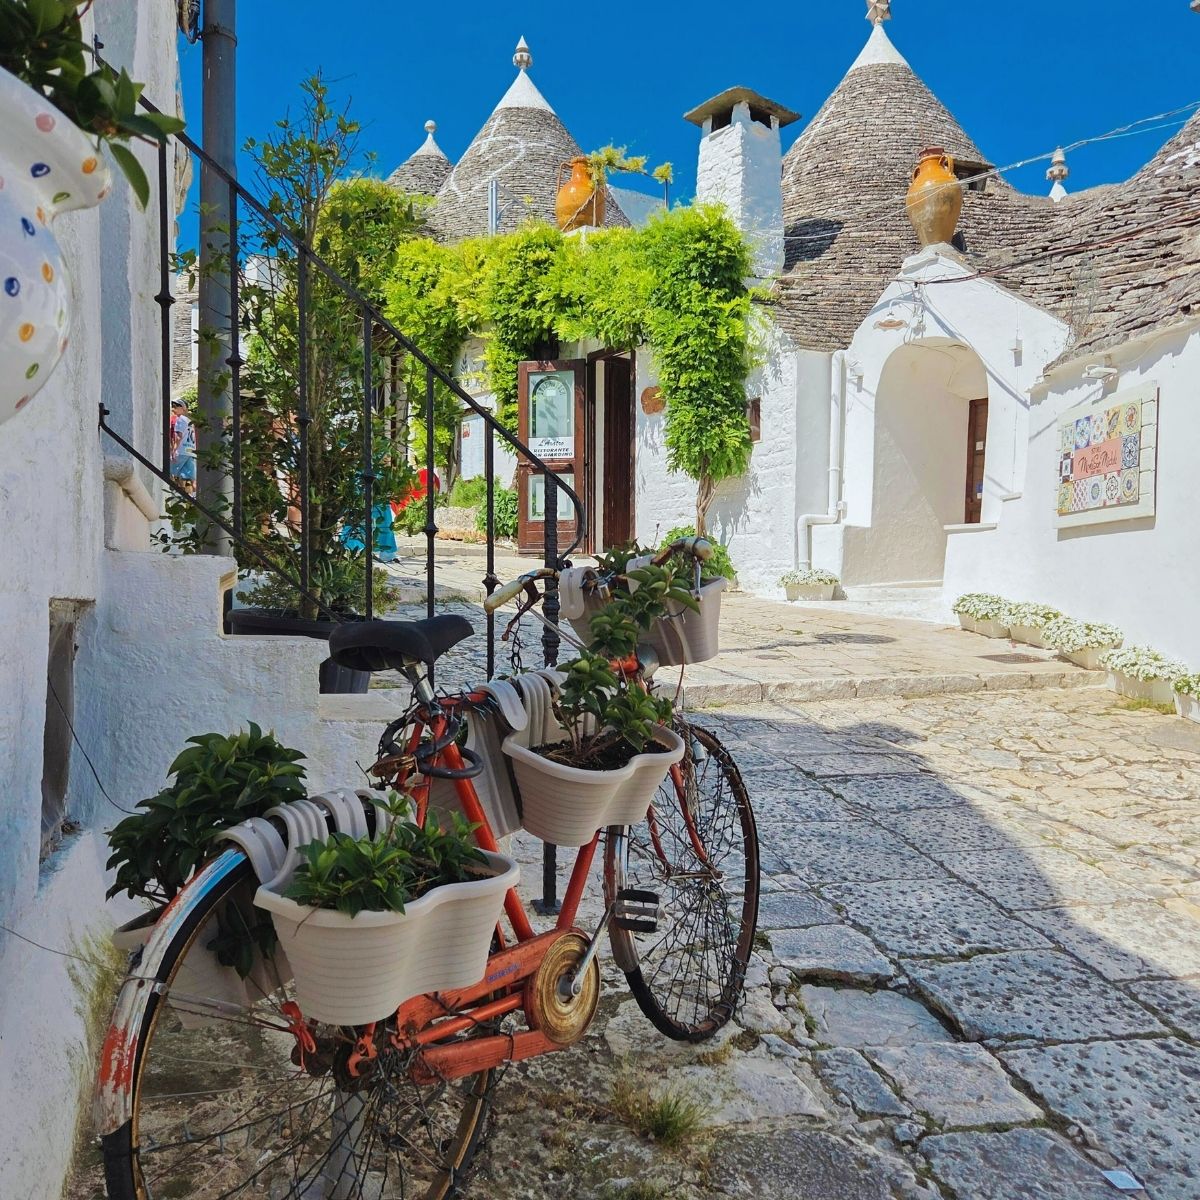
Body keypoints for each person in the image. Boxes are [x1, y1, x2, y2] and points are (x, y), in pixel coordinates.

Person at [169, 397, 197, 496]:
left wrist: (174, 450)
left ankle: (173, 494)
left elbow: (178, 436)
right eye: (173, 406)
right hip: (190, 451)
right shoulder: (190, 422)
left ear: (183, 408)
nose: (173, 408)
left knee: (169, 471)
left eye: (176, 406)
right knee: (190, 478)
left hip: (181, 451)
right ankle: (193, 498)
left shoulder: (180, 419)